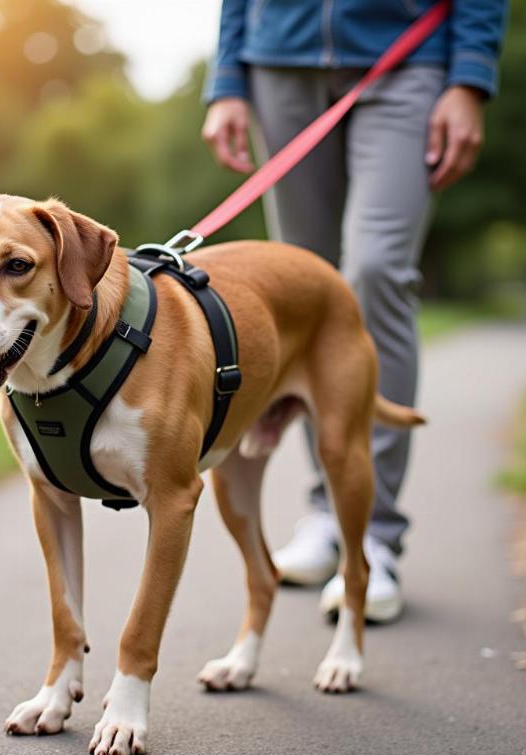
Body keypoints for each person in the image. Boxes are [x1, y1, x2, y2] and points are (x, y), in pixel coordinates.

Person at [202, 0, 508, 622]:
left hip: (409, 53)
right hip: (279, 60)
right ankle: (326, 511)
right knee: (301, 288)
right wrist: (227, 79)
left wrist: (470, 74)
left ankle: (374, 535)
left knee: (375, 271)